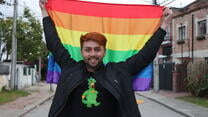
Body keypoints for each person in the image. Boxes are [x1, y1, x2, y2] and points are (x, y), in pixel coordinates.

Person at [39, 0, 172, 117]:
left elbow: (146, 55)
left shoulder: (118, 71)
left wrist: (164, 25)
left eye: (97, 49)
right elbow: (53, 43)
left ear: (104, 52)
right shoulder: (70, 68)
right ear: (81, 52)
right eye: (88, 50)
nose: (92, 54)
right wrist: (44, 11)